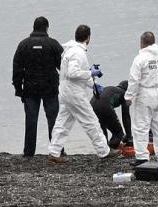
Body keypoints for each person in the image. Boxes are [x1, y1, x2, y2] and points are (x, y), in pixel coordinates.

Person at [47, 25, 121, 163]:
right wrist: (90, 73)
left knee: (62, 123)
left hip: (65, 92)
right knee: (91, 121)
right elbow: (73, 73)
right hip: (74, 94)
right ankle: (103, 151)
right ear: (88, 38)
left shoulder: (70, 50)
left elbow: (75, 74)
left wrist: (93, 84)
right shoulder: (78, 53)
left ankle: (54, 152)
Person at [12, 17, 64, 157]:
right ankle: (57, 151)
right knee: (54, 120)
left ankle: (29, 152)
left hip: (30, 89)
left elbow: (17, 69)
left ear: (33, 27)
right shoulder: (53, 44)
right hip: (50, 88)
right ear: (47, 28)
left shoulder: (23, 45)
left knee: (31, 120)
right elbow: (64, 68)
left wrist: (18, 89)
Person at [124, 31, 158, 166]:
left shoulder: (140, 59)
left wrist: (129, 96)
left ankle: (142, 157)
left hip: (145, 94)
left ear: (142, 42)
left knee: (140, 127)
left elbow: (134, 79)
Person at [91, 80, 132, 149]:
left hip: (91, 106)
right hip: (105, 106)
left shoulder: (110, 89)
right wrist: (129, 137)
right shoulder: (125, 94)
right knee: (118, 134)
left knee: (102, 132)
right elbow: (126, 116)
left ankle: (104, 151)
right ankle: (110, 150)